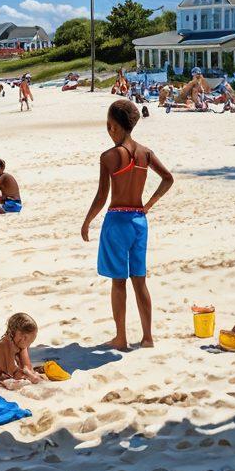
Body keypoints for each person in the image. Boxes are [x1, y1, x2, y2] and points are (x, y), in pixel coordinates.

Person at [81, 100, 173, 351]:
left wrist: (87, 222)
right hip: (139, 221)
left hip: (116, 221)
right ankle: (147, 337)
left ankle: (121, 338)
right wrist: (149, 204)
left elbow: (102, 197)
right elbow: (168, 179)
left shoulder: (110, 156)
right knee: (140, 280)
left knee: (119, 281)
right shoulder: (145, 152)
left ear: (113, 127)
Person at [0, 313, 41, 385]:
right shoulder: (5, 344)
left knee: (35, 378)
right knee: (17, 384)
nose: (29, 345)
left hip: (8, 372)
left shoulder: (21, 344)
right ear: (22, 337)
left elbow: (27, 365)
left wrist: (31, 374)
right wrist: (30, 377)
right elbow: (13, 371)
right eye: (30, 342)